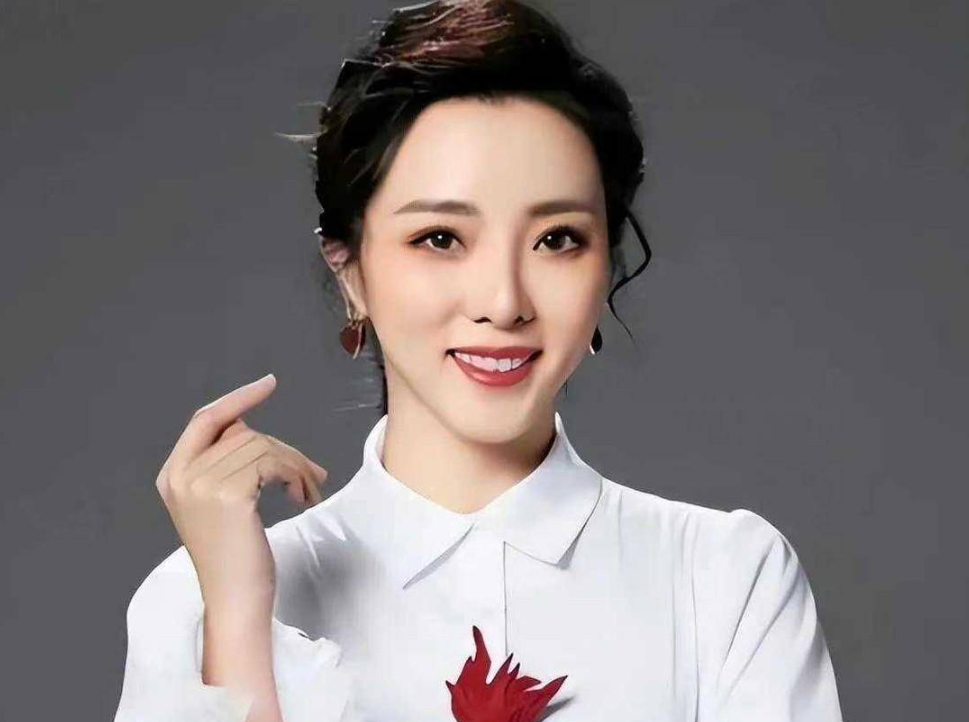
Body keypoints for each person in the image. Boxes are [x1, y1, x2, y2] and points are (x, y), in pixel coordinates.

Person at [112, 1, 845, 721]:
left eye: (557, 239)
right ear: (351, 271)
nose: (504, 301)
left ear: (606, 266)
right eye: (440, 238)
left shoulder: (724, 581)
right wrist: (238, 621)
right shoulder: (196, 606)